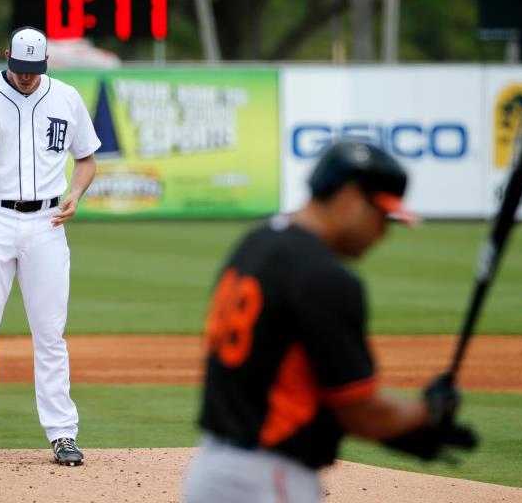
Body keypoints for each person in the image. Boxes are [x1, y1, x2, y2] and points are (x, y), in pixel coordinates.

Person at [184, 140, 477, 502]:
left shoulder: (257, 244)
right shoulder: (324, 278)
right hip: (267, 479)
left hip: (212, 471)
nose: (383, 232)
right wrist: (427, 410)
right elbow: (360, 413)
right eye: (382, 215)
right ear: (350, 198)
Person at [0, 26, 100, 467]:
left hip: (46, 222)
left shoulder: (65, 96)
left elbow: (86, 158)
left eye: (34, 69)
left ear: (45, 63)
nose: (26, 77)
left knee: (50, 334)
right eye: (20, 67)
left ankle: (63, 433)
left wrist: (76, 195)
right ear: (7, 55)